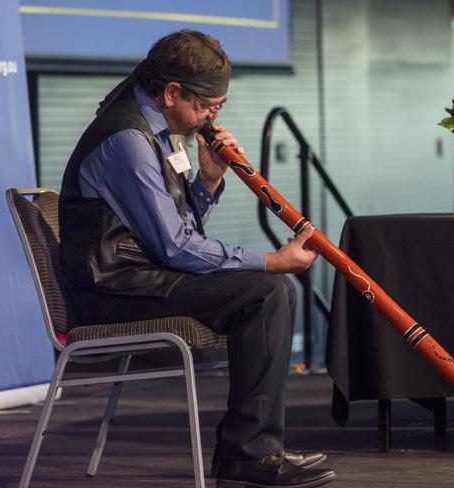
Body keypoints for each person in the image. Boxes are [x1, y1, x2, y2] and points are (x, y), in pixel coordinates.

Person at [58, 30, 336, 488]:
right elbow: (176, 247)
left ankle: (249, 451)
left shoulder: (160, 127)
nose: (211, 117)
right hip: (109, 290)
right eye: (208, 106)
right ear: (171, 93)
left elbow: (180, 231)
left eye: (218, 108)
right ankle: (250, 453)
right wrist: (270, 260)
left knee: (270, 292)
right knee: (268, 291)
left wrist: (207, 181)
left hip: (139, 277)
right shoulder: (128, 139)